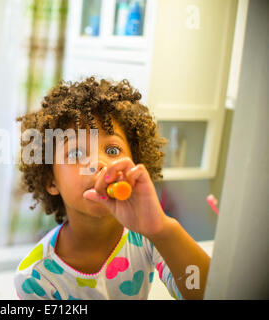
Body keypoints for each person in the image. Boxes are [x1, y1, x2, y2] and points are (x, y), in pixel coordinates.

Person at [14, 77, 210, 300]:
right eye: (76, 153)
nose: (99, 163)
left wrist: (162, 229)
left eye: (113, 151)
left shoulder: (147, 237)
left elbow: (207, 293)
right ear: (51, 181)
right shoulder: (36, 277)